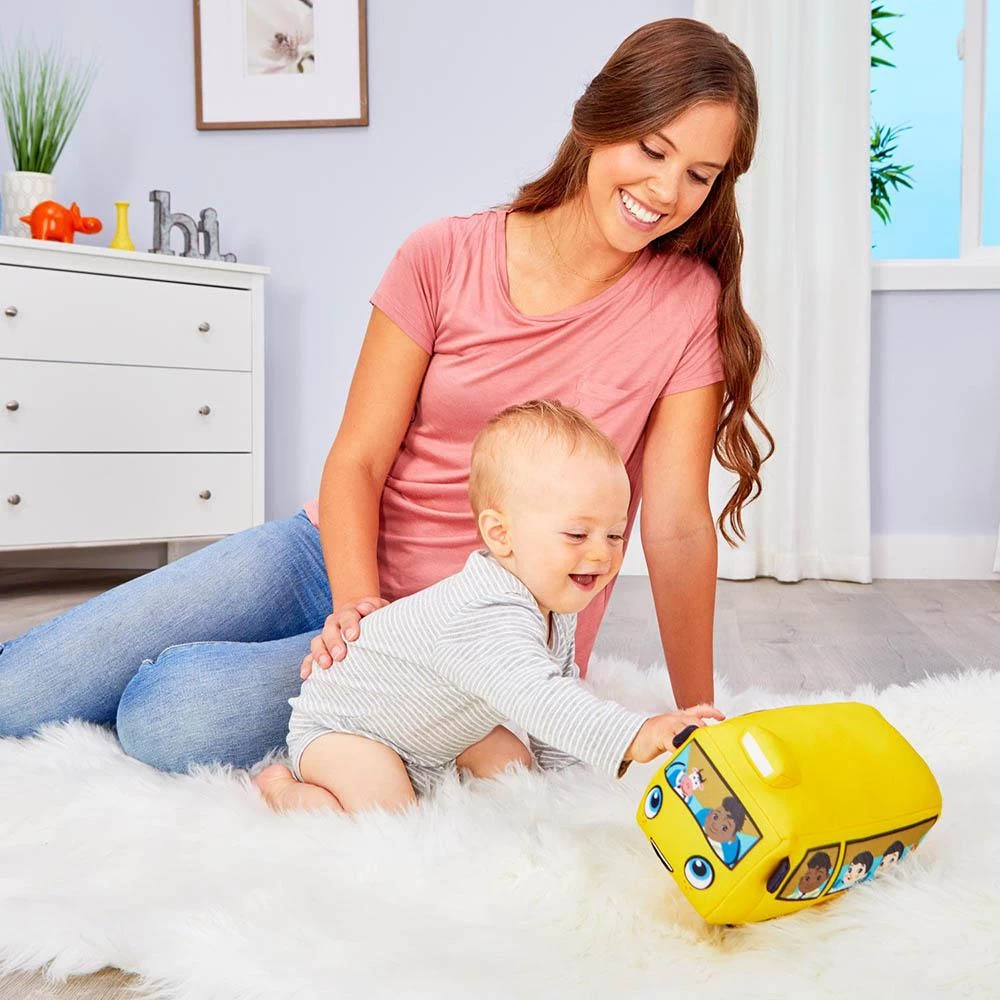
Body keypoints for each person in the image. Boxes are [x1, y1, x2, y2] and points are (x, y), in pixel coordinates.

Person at [0, 18, 772, 773]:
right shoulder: (443, 254)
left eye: (700, 175)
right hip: (326, 558)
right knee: (23, 686)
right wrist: (356, 613)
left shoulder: (683, 303)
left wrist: (699, 722)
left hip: (471, 637)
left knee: (166, 715)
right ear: (602, 120)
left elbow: (674, 522)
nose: (667, 190)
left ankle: (191, 668)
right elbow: (358, 461)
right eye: (652, 149)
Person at [254, 400, 725, 814]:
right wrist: (635, 734)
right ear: (501, 534)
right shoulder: (486, 613)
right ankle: (284, 793)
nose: (602, 554)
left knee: (516, 767)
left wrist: (574, 782)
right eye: (578, 535)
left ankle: (434, 766)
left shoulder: (553, 604)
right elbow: (542, 700)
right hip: (350, 728)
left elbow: (558, 686)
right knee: (389, 811)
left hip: (434, 729)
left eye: (615, 534)